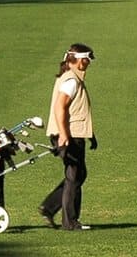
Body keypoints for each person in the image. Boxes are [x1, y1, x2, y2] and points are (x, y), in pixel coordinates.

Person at [39, 43, 97, 231]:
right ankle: (70, 222)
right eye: (87, 59)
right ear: (79, 61)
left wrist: (91, 135)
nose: (88, 63)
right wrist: (64, 135)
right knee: (74, 176)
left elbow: (76, 109)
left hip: (73, 134)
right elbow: (60, 107)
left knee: (78, 174)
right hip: (69, 135)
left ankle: (49, 207)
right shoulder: (71, 80)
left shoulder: (72, 78)